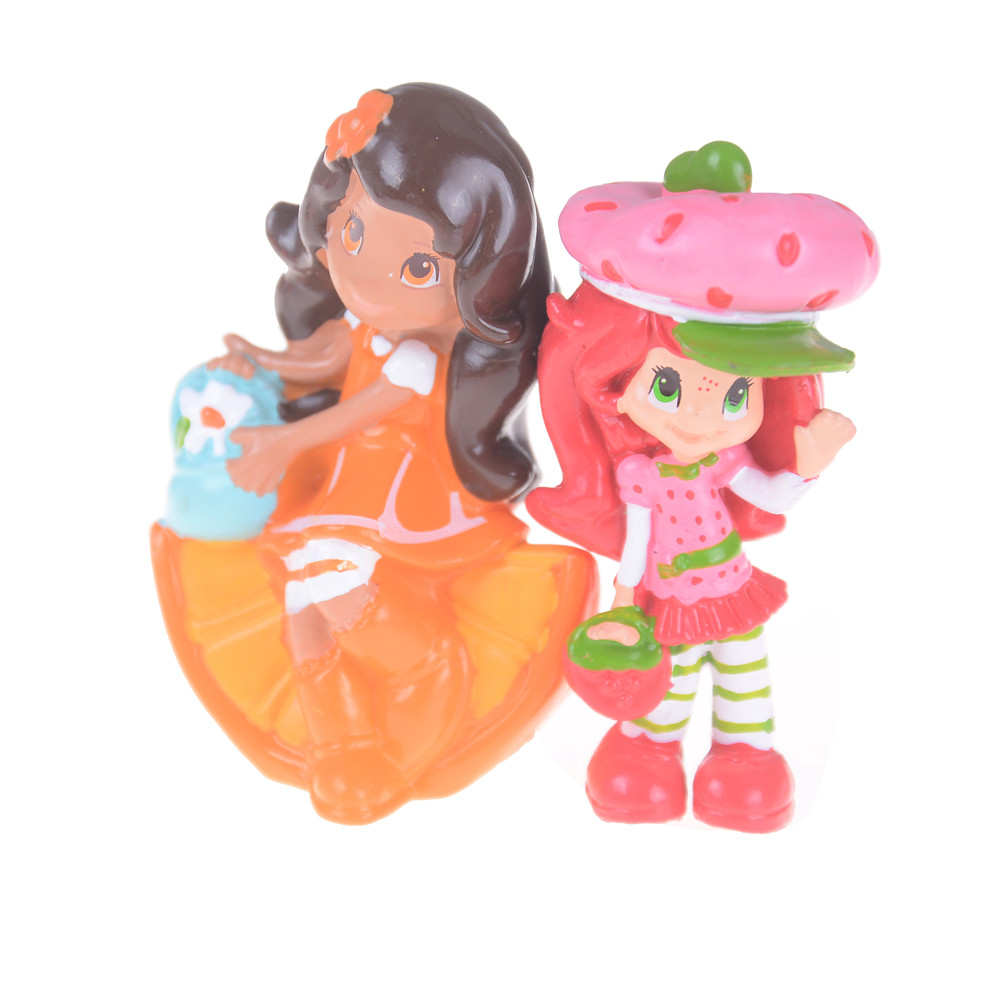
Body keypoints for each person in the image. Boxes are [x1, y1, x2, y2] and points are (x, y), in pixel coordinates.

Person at [151, 84, 596, 824]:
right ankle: (341, 734)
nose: (365, 280)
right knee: (302, 597)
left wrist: (285, 441)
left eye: (419, 268)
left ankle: (408, 696)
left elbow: (360, 410)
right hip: (347, 494)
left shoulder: (419, 360)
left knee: (340, 584)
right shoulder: (367, 328)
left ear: (480, 280)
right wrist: (255, 361)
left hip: (410, 506)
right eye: (352, 233)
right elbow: (319, 359)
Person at [527, 142, 878, 832]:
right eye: (667, 385)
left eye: (735, 394)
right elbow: (634, 547)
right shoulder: (639, 476)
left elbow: (770, 496)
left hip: (732, 586)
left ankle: (747, 755)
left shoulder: (727, 462)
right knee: (673, 677)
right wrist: (624, 603)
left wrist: (806, 465)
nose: (700, 417)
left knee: (746, 671)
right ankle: (647, 749)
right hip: (671, 595)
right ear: (613, 384)